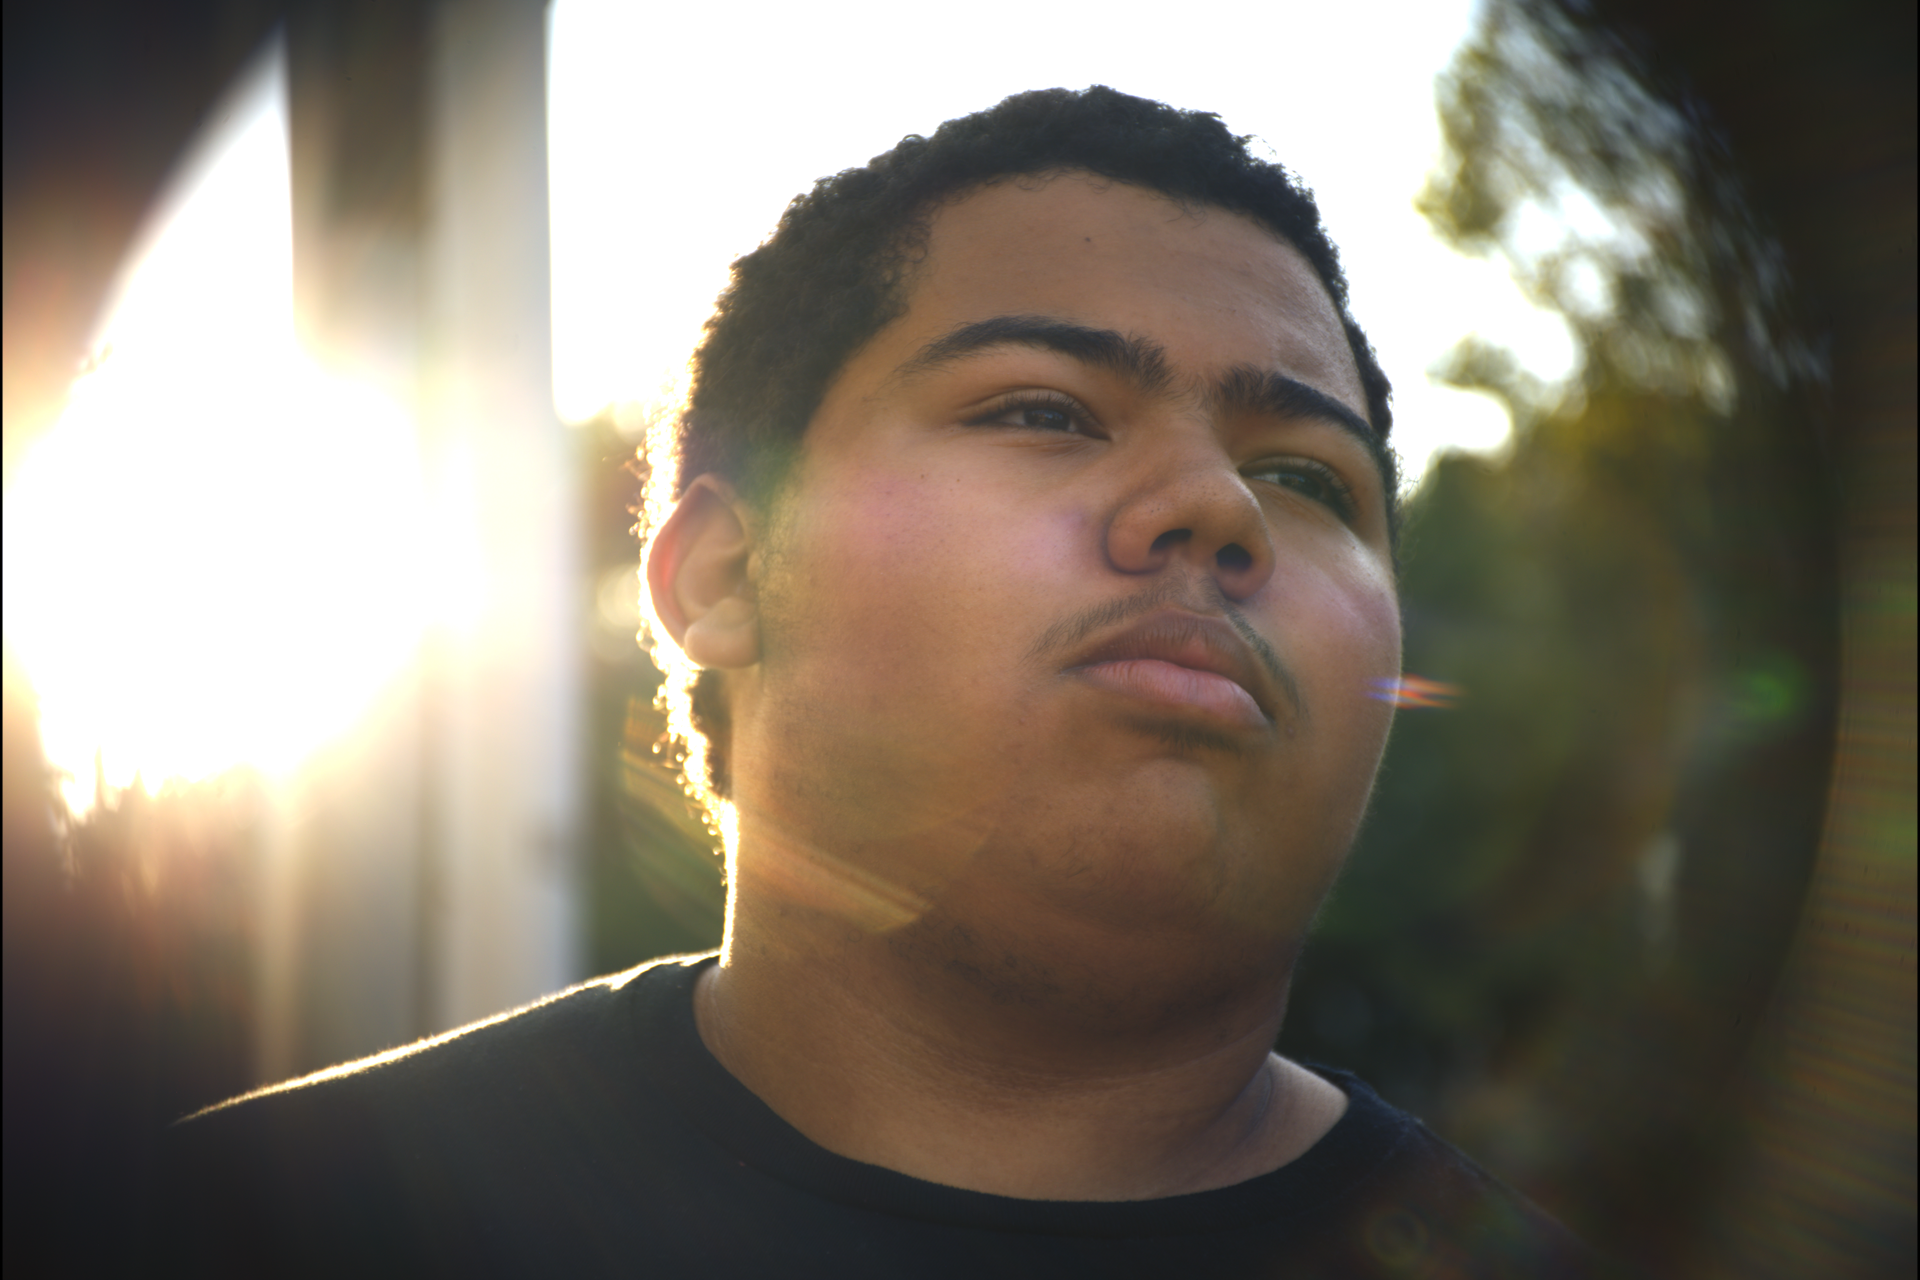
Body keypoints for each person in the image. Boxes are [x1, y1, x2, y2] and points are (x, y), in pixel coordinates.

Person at [145, 86, 1605, 1277]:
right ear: (722, 574)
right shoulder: (237, 1225)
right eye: (1043, 408)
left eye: (1306, 477)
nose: (1217, 506)